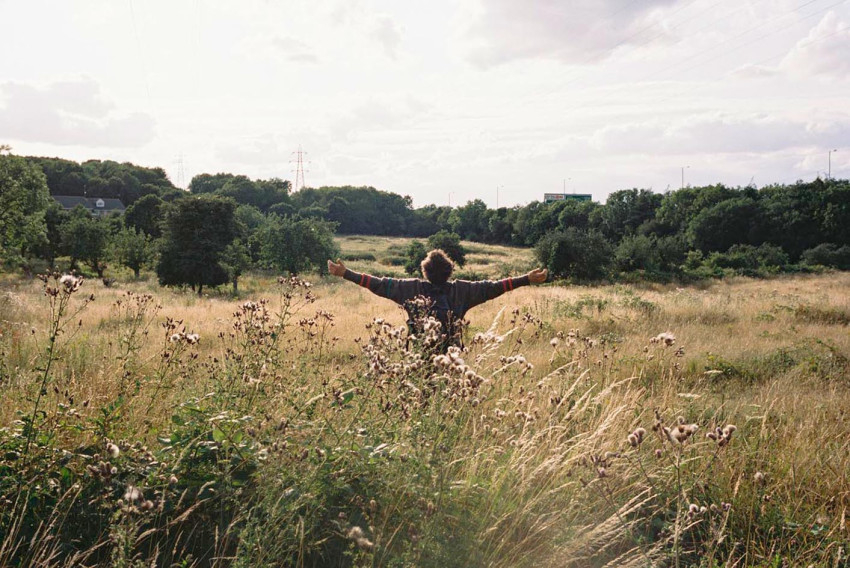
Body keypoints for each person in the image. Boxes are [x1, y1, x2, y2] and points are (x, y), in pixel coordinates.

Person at [327, 249, 548, 349]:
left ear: (425, 271)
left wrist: (346, 273)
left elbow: (378, 284)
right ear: (449, 271)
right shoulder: (462, 291)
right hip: (451, 357)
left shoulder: (410, 289)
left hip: (418, 357)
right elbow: (494, 288)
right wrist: (526, 279)